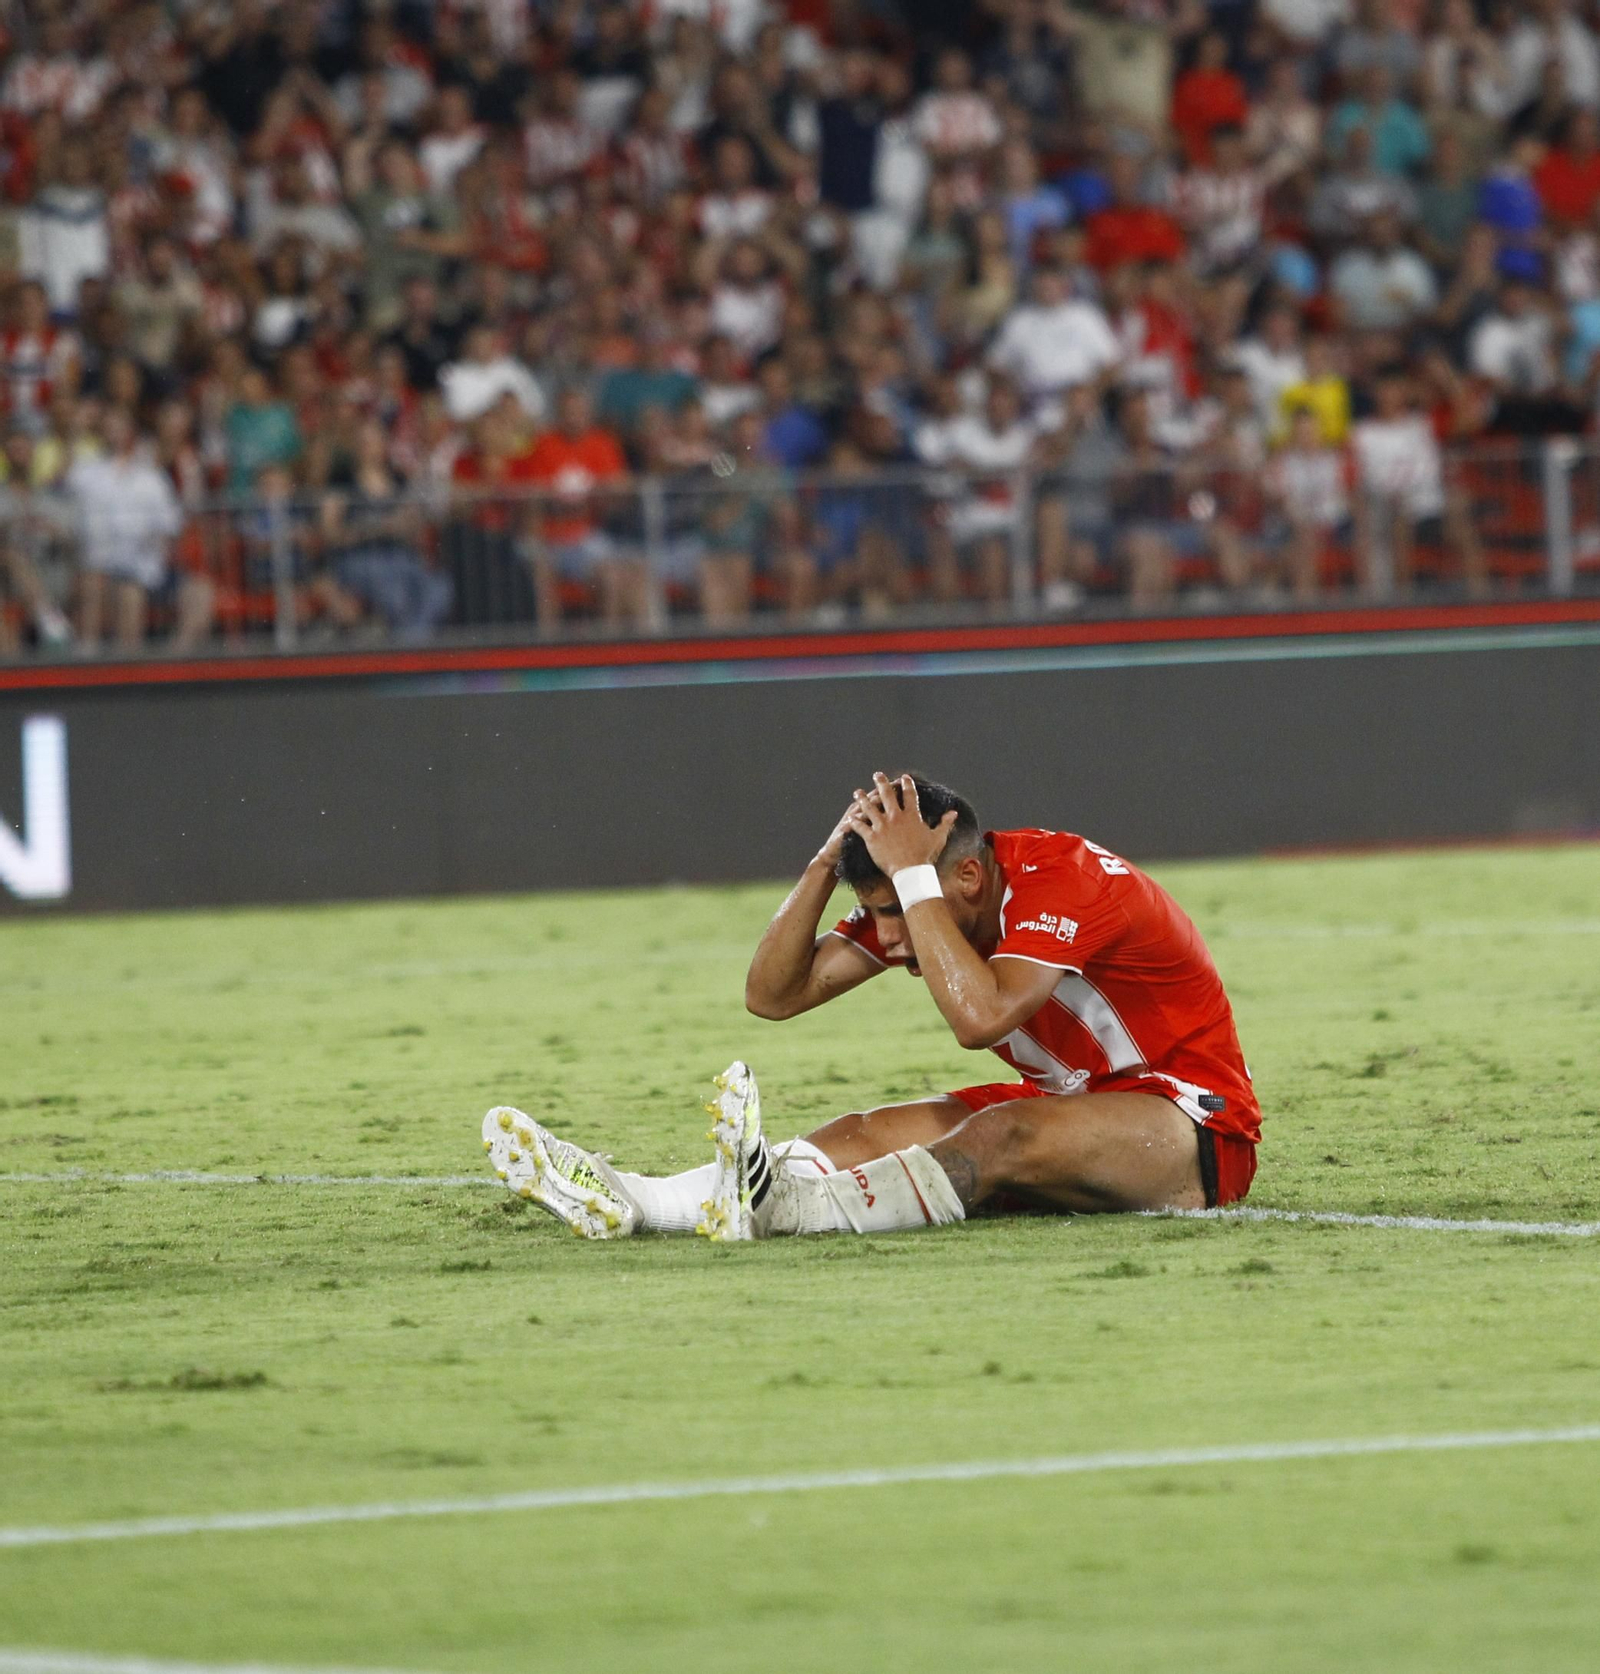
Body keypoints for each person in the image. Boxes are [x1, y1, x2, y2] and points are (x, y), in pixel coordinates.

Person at [482, 773, 1261, 1240]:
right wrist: (830, 860)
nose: (887, 936)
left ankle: (790, 1207)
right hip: (1077, 1103)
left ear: (964, 878)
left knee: (998, 1132)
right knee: (862, 1130)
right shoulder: (926, 902)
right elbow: (771, 996)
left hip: (1192, 1125)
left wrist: (911, 887)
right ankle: (638, 1202)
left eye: (893, 904)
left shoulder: (1062, 881)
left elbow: (980, 1018)